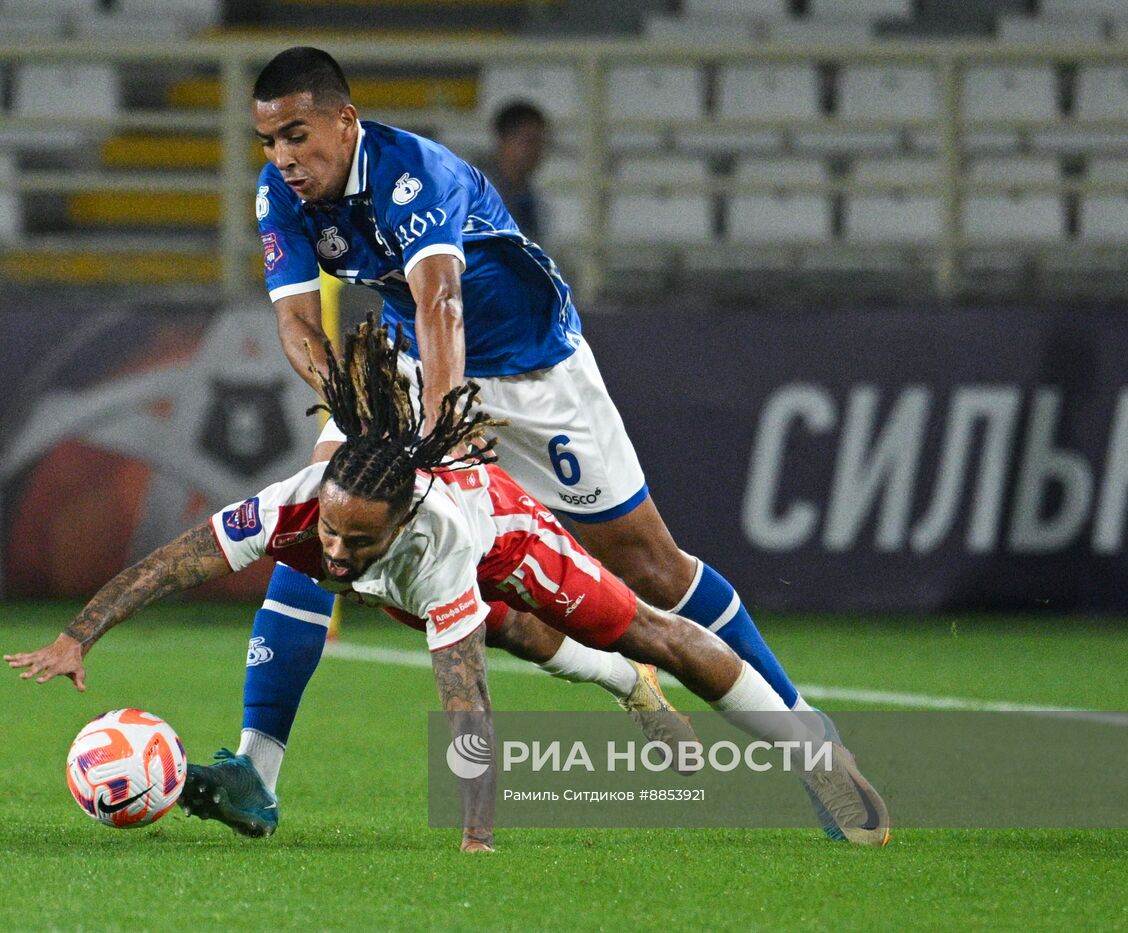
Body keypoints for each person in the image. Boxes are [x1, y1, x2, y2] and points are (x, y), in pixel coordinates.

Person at [224, 45, 840, 840]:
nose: (284, 158)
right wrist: (347, 401)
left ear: (345, 120)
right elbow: (298, 324)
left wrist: (443, 435)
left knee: (650, 564)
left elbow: (440, 297)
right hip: (414, 364)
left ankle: (805, 734)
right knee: (315, 513)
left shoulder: (415, 174)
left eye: (298, 136)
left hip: (534, 370)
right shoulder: (281, 192)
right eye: (270, 142)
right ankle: (255, 770)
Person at [5, 322, 891, 851]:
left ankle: (813, 754)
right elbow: (171, 562)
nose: (339, 554)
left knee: (642, 631)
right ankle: (624, 686)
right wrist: (79, 635)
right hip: (426, 560)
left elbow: (462, 701)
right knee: (523, 641)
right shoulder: (299, 508)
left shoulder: (440, 546)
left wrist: (477, 827)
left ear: (397, 521)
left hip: (509, 538)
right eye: (334, 529)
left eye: (359, 538)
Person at [477, 100, 549, 242]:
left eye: (541, 143)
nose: (537, 151)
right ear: (503, 140)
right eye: (529, 141)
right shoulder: (477, 194)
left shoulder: (527, 196)